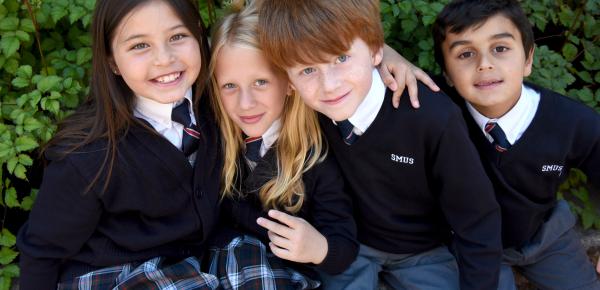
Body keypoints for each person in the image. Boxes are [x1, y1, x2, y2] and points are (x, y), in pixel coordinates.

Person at [257, 1, 503, 290]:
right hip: (348, 245)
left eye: (341, 58)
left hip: (424, 251)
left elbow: (476, 216)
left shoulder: (432, 118)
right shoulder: (305, 116)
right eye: (308, 70)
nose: (330, 84)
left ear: (376, 50)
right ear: (289, 80)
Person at [16, 0, 222, 289]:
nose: (164, 59)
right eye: (140, 46)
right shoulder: (88, 156)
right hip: (114, 274)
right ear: (112, 61)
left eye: (177, 37)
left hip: (193, 264)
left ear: (199, 36)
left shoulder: (223, 106)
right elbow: (42, 252)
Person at [431, 1, 600, 289]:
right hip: (467, 243)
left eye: (500, 48)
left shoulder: (573, 122)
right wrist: (392, 58)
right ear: (446, 73)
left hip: (544, 234)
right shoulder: (436, 108)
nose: (484, 63)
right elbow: (366, 65)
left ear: (528, 59)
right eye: (465, 53)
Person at [205, 3, 357, 289]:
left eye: (261, 82)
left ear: (289, 82)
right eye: (230, 86)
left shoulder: (314, 155)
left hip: (279, 273)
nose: (245, 103)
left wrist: (318, 248)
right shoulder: (213, 135)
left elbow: (344, 245)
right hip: (218, 264)